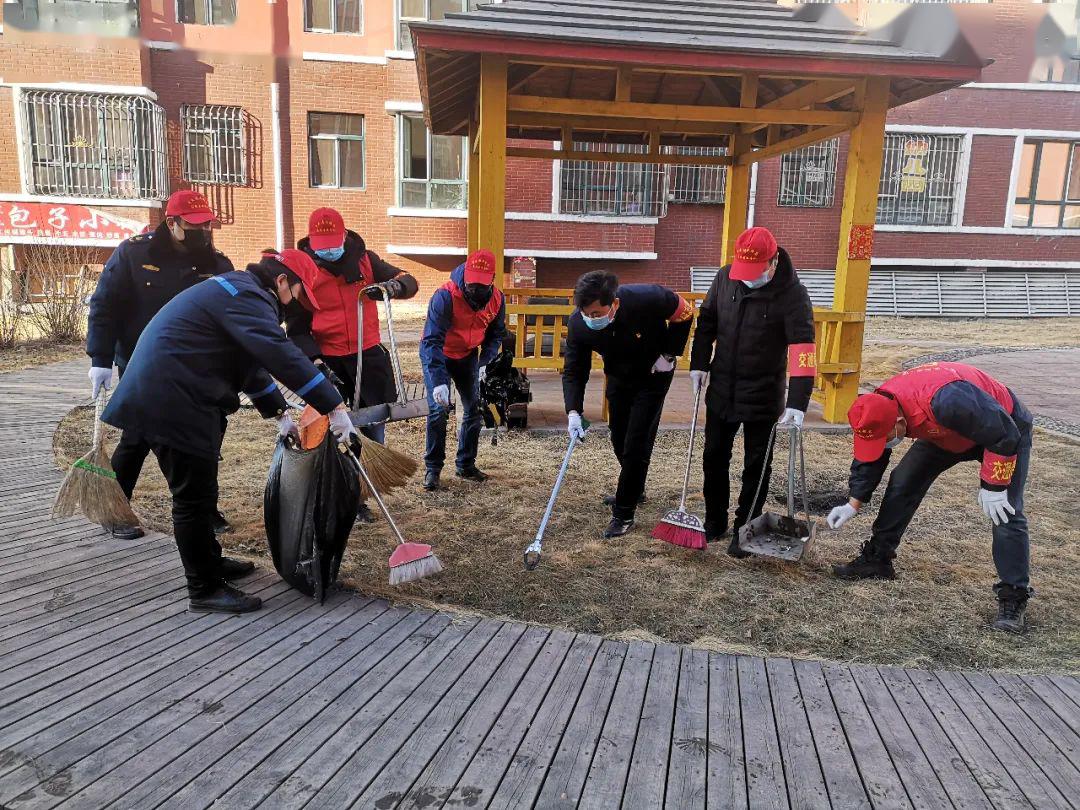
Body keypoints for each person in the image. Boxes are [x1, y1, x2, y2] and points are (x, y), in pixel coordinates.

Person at [102, 250, 356, 614]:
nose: (298, 306)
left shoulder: (236, 291)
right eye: (299, 295)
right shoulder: (247, 296)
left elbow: (249, 363)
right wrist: (333, 405)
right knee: (191, 498)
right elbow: (277, 352)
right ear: (282, 281)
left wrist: (279, 411)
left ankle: (211, 563)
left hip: (174, 393)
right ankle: (203, 588)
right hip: (173, 399)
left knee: (203, 492)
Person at [827, 362, 1034, 633]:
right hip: (946, 432)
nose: (884, 443)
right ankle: (877, 559)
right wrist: (853, 502)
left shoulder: (948, 400)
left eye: (886, 437)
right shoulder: (879, 406)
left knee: (1006, 510)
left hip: (1003, 429)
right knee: (903, 481)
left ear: (900, 422)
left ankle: (1014, 596)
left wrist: (993, 486)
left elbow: (1004, 432)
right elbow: (874, 454)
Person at [87, 190, 235, 540]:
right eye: (194, 225)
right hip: (143, 363)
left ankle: (203, 508)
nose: (203, 231)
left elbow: (231, 312)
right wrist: (100, 359)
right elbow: (104, 306)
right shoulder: (134, 255)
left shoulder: (215, 263)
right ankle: (115, 509)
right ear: (172, 223)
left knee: (205, 437)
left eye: (207, 225)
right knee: (138, 436)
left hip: (196, 368)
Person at [688, 226, 815, 557]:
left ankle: (745, 528)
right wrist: (699, 362)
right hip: (722, 390)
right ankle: (714, 521)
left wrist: (798, 403)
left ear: (773, 262)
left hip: (763, 394)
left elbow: (803, 350)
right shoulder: (725, 277)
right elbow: (707, 321)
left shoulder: (792, 295)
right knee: (713, 457)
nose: (747, 279)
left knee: (756, 466)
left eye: (755, 272)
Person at [563, 270, 694, 538]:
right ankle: (636, 487)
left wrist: (669, 353)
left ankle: (624, 512)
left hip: (655, 373)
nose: (591, 319)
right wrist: (573, 411)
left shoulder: (648, 298)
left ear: (615, 304)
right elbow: (575, 370)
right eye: (587, 313)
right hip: (619, 377)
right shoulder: (578, 324)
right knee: (619, 436)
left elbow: (685, 313)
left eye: (597, 314)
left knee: (636, 441)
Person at [289, 207, 419, 445]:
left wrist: (394, 287)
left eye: (333, 243)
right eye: (322, 244)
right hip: (328, 360)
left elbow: (407, 280)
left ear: (345, 236)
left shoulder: (367, 260)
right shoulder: (304, 272)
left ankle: (371, 463)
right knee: (328, 427)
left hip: (367, 356)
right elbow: (296, 329)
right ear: (310, 241)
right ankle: (336, 473)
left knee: (373, 424)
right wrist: (315, 361)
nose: (328, 250)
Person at [419, 249, 506, 491]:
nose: (475, 290)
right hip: (439, 355)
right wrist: (438, 381)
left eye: (481, 285)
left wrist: (485, 363)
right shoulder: (444, 296)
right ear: (464, 276)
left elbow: (496, 334)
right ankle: (433, 469)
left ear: (492, 280)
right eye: (471, 284)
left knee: (473, 408)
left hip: (468, 356)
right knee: (438, 411)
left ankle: (466, 464)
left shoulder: (498, 299)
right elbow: (431, 341)